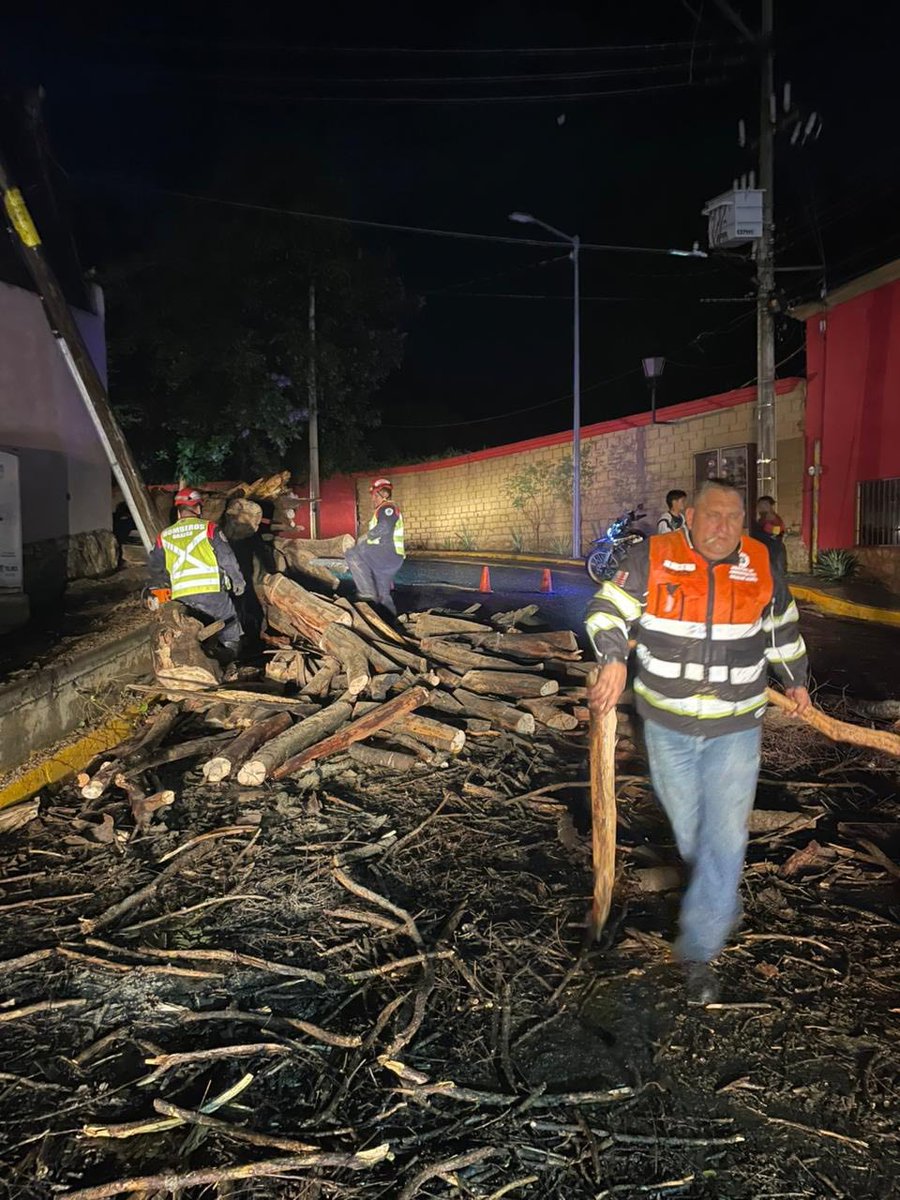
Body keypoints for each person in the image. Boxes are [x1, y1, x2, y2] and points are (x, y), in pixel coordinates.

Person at [585, 478, 810, 1005]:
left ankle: (699, 952)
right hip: (668, 724)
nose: (723, 527)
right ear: (689, 517)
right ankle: (720, 897)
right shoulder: (652, 556)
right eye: (712, 515)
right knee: (693, 835)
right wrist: (613, 658)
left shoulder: (760, 561)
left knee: (725, 836)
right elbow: (605, 609)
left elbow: (781, 626)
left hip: (736, 725)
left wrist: (795, 678)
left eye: (733, 517)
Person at [148, 486, 246, 657]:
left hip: (181, 595)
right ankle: (231, 656)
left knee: (187, 631)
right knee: (228, 621)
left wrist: (163, 586)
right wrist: (238, 580)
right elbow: (226, 558)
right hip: (211, 593)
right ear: (198, 509)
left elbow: (155, 566)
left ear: (178, 512)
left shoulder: (164, 536)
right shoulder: (209, 528)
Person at [345, 477, 405, 616]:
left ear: (384, 494)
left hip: (387, 554)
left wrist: (364, 538)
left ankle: (366, 594)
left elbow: (384, 527)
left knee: (352, 553)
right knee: (383, 595)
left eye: (375, 496)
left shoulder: (388, 508)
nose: (373, 499)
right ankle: (391, 622)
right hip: (387, 558)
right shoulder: (384, 510)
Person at [754, 495, 788, 575]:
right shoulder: (762, 519)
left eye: (765, 504)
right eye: (760, 505)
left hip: (773, 548)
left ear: (771, 506)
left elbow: (779, 531)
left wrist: (767, 527)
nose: (761, 507)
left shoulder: (772, 518)